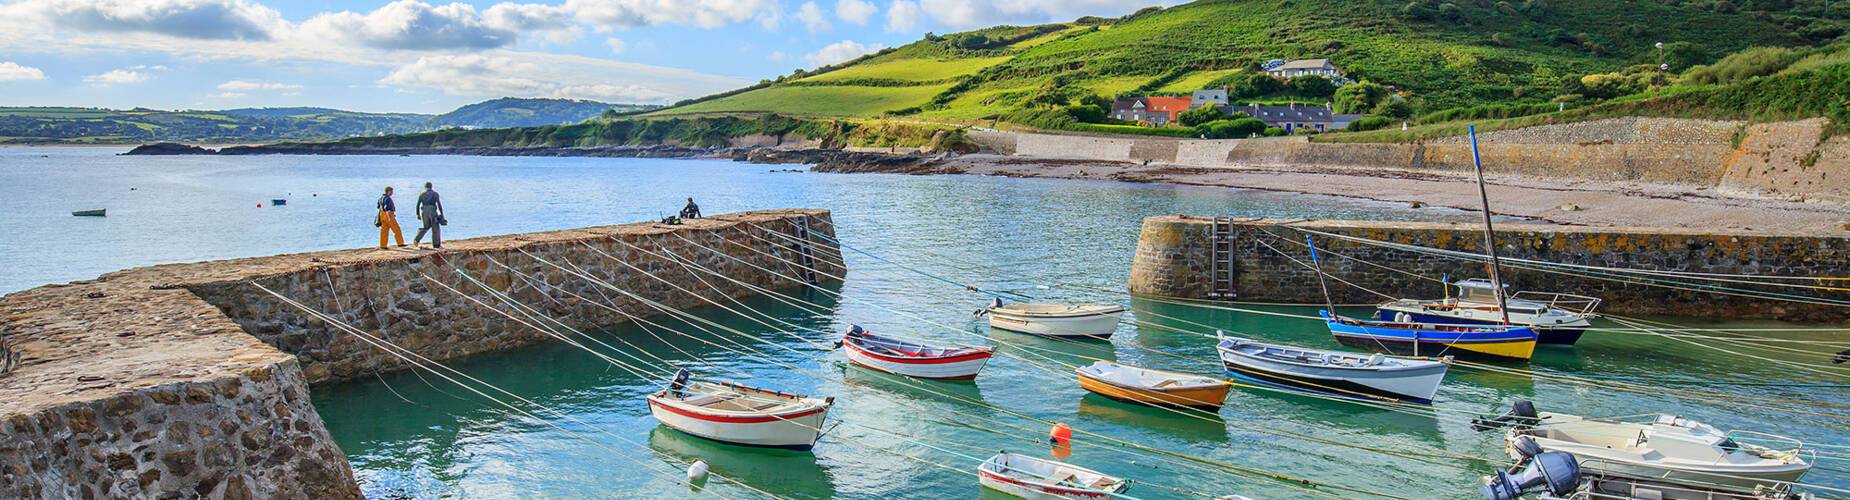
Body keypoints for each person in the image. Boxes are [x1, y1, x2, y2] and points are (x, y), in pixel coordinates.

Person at [413, 182, 445, 249]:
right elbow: (439, 205)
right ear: (431, 187)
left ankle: (416, 240)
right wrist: (442, 214)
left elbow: (418, 204)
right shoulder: (435, 194)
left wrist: (418, 214)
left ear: (425, 187)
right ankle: (436, 245)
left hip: (424, 211)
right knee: (435, 227)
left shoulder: (422, 194)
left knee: (426, 226)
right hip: (432, 210)